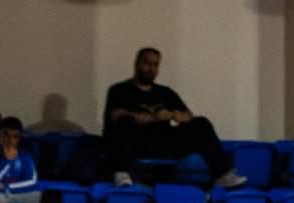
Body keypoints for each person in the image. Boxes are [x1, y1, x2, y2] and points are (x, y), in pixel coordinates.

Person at [101, 47, 242, 189]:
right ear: (137, 63)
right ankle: (122, 173)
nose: (151, 68)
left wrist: (175, 115)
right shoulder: (119, 90)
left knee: (201, 123)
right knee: (126, 122)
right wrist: (156, 117)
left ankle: (222, 175)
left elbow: (188, 115)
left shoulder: (165, 92)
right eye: (147, 63)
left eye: (156, 65)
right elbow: (117, 116)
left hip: (164, 142)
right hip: (137, 144)